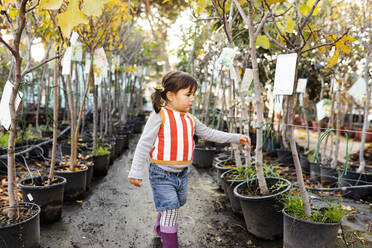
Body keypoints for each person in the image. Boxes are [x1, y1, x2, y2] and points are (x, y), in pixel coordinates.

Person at [128, 71, 250, 248]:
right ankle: (170, 243)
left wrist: (236, 137)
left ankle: (160, 225)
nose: (192, 99)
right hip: (161, 173)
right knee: (171, 209)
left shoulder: (190, 119)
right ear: (170, 95)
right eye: (188, 94)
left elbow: (210, 133)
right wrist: (136, 171)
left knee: (176, 203)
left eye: (194, 95)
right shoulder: (160, 115)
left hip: (182, 174)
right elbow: (144, 144)